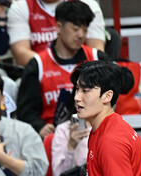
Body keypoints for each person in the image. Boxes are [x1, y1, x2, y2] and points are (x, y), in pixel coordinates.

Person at [15, 0, 102, 138]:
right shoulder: (38, 64)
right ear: (59, 27)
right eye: (75, 29)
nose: (81, 35)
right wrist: (40, 127)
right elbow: (26, 111)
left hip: (92, 134)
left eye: (85, 29)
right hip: (53, 137)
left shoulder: (96, 58)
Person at [8, 0, 105, 67]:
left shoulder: (88, 5)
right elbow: (21, 55)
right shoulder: (21, 6)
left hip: (84, 72)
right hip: (39, 73)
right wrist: (57, 69)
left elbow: (96, 52)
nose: (80, 34)